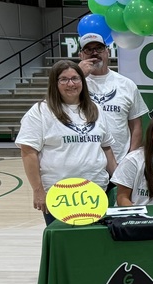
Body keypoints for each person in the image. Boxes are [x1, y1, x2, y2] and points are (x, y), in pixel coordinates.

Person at [16, 60, 116, 223]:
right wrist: (38, 190)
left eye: (75, 78)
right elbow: (28, 153)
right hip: (58, 195)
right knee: (64, 239)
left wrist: (118, 181)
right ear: (54, 83)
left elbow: (106, 148)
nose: (71, 84)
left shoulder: (95, 109)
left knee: (95, 238)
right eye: (64, 79)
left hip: (96, 192)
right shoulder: (40, 111)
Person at [77, 31, 148, 163]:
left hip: (120, 162)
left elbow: (136, 126)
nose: (94, 53)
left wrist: (129, 160)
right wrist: (78, 76)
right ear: (80, 55)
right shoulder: (73, 85)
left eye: (99, 48)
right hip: (85, 164)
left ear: (107, 52)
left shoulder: (127, 84)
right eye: (88, 49)